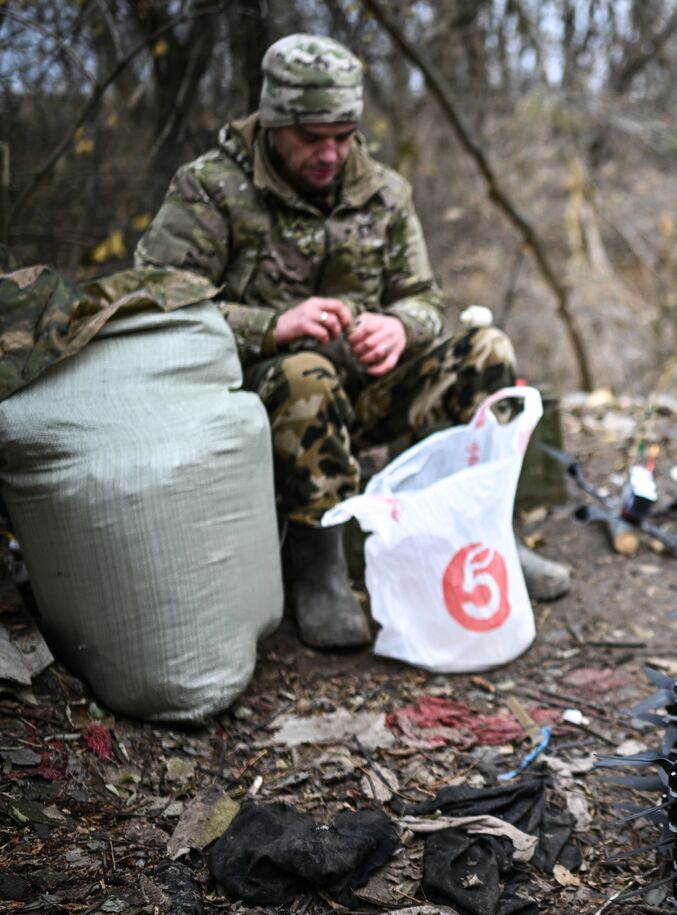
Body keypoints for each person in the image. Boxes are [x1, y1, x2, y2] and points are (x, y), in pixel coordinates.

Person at [135, 34, 570, 650]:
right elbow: (155, 305)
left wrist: (401, 326)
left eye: (344, 134)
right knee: (305, 371)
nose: (331, 153)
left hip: (367, 395)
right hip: (260, 407)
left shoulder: (383, 191)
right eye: (312, 138)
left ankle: (482, 530)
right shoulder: (211, 189)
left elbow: (423, 296)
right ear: (273, 122)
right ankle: (320, 567)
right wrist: (272, 326)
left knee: (486, 348)